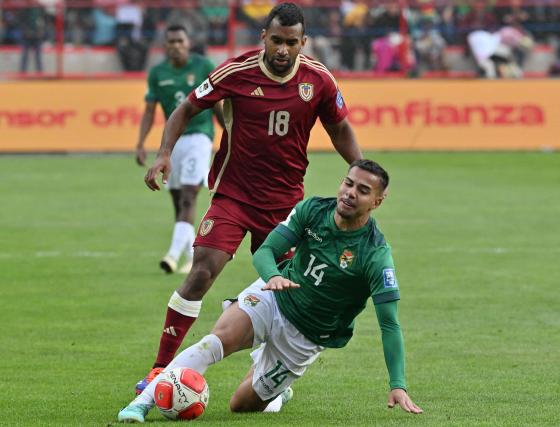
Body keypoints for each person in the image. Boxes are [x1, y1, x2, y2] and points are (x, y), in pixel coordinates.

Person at [134, 3, 362, 395]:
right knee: (202, 270)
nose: (282, 50)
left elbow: (339, 128)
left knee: (286, 295)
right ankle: (160, 369)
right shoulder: (235, 72)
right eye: (276, 40)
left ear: (302, 43)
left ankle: (273, 376)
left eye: (291, 43)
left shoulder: (319, 80)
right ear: (264, 38)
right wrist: (164, 153)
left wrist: (361, 172)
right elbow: (186, 108)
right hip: (234, 195)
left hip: (286, 204)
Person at [118, 159, 422, 422]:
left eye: (363, 190)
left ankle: (277, 393)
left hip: (307, 335)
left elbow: (389, 324)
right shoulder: (313, 210)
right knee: (214, 342)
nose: (350, 193)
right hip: (274, 298)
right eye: (348, 183)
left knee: (242, 406)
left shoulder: (375, 254)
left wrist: (398, 384)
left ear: (377, 201)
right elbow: (265, 251)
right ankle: (141, 403)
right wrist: (273, 276)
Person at [135, 24, 222, 275]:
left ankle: (172, 256)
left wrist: (230, 133)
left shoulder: (203, 66)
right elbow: (150, 111)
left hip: (199, 138)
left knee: (188, 197)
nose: (175, 46)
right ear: (165, 45)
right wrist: (141, 143)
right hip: (173, 142)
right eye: (171, 41)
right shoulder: (157, 73)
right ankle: (194, 256)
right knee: (177, 202)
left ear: (188, 43)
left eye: (179, 41)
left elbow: (217, 103)